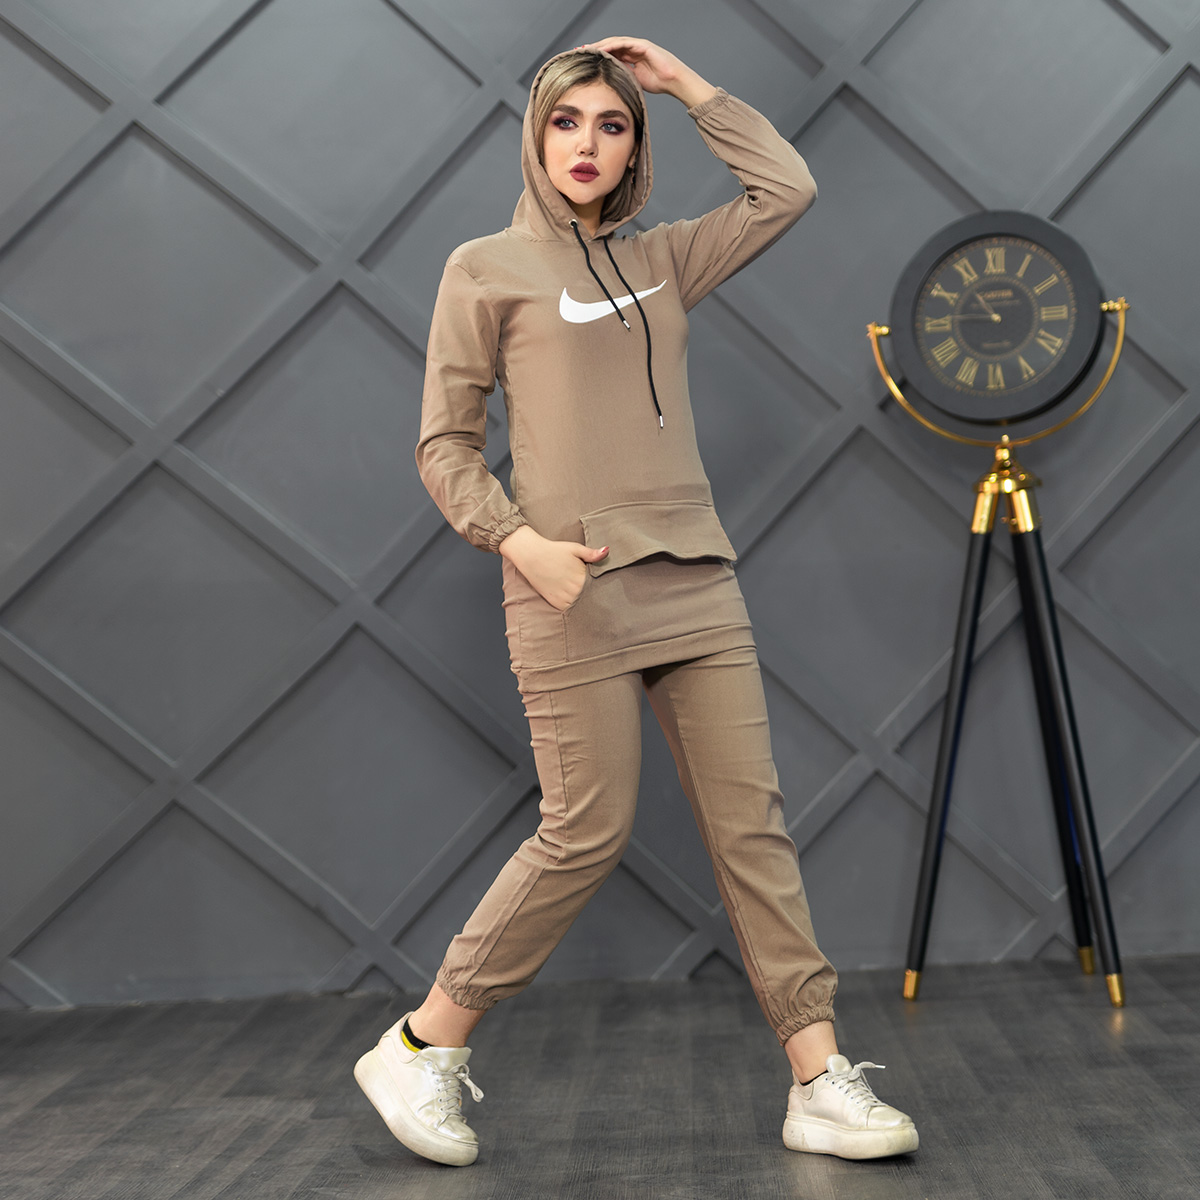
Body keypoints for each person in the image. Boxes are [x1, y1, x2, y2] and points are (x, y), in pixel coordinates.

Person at [354, 36, 918, 1167]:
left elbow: (785, 188)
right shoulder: (484, 269)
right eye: (566, 121)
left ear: (634, 147)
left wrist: (687, 85)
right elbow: (443, 445)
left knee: (752, 829)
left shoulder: (665, 258)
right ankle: (419, 1045)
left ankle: (817, 1078)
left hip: (695, 576)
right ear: (534, 134)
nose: (588, 144)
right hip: (568, 589)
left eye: (612, 126)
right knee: (585, 833)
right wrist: (522, 543)